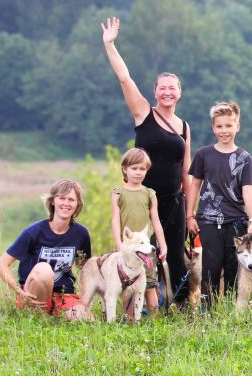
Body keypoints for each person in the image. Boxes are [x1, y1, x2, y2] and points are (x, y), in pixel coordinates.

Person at [103, 17, 191, 306]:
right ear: (155, 92)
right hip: (142, 199)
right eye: (162, 87)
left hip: (174, 202)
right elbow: (124, 78)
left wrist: (190, 212)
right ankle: (136, 308)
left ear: (179, 92)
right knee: (140, 255)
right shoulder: (143, 113)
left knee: (176, 255)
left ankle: (180, 308)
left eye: (172, 88)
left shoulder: (184, 126)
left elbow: (186, 171)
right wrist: (110, 44)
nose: (167, 92)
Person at [185, 102, 252, 304]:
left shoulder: (244, 158)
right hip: (208, 221)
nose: (224, 130)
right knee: (211, 266)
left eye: (228, 125)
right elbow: (195, 186)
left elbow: (247, 190)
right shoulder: (203, 155)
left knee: (234, 267)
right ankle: (208, 311)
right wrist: (190, 215)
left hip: (236, 221)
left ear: (237, 127)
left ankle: (229, 310)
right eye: (219, 126)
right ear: (213, 128)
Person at [0, 180, 93, 321]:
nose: (66, 203)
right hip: (35, 294)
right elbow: (1, 264)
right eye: (62, 198)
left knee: (86, 318)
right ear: (53, 201)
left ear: (77, 204)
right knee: (44, 270)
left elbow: (85, 268)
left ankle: (57, 317)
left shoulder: (81, 233)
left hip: (63, 295)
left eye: (71, 199)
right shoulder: (33, 232)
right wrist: (18, 290)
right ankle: (37, 316)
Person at [112, 148, 169, 316]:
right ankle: (130, 320)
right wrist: (118, 244)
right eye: (134, 168)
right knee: (127, 282)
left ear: (147, 170)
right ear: (125, 169)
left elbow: (156, 221)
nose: (138, 173)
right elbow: (115, 220)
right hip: (127, 247)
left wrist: (163, 246)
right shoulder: (118, 193)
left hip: (145, 247)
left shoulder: (149, 193)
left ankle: (155, 320)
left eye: (142, 169)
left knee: (150, 283)